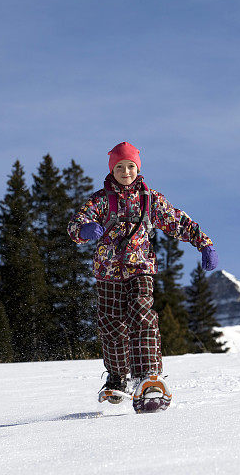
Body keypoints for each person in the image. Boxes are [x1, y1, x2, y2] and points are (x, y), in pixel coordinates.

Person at [67, 141, 218, 412]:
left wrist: (204, 243)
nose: (126, 171)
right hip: (108, 271)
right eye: (120, 167)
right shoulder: (101, 200)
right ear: (112, 169)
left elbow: (178, 221)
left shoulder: (150, 200)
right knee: (111, 325)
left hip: (140, 267)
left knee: (142, 314)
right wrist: (86, 229)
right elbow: (76, 224)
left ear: (138, 168)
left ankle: (148, 374)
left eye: (131, 166)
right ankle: (118, 376)